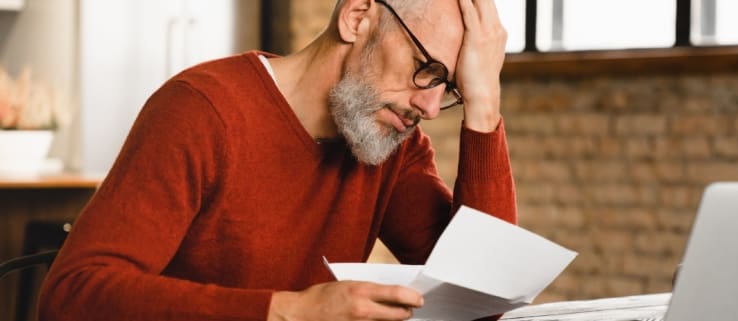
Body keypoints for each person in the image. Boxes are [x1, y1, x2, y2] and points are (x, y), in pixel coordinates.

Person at [38, 0, 515, 320]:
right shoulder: (201, 110)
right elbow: (72, 295)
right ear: (357, 15)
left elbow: (481, 297)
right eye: (426, 71)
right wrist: (290, 310)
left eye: (450, 88)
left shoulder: (394, 146)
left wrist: (484, 103)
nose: (430, 109)